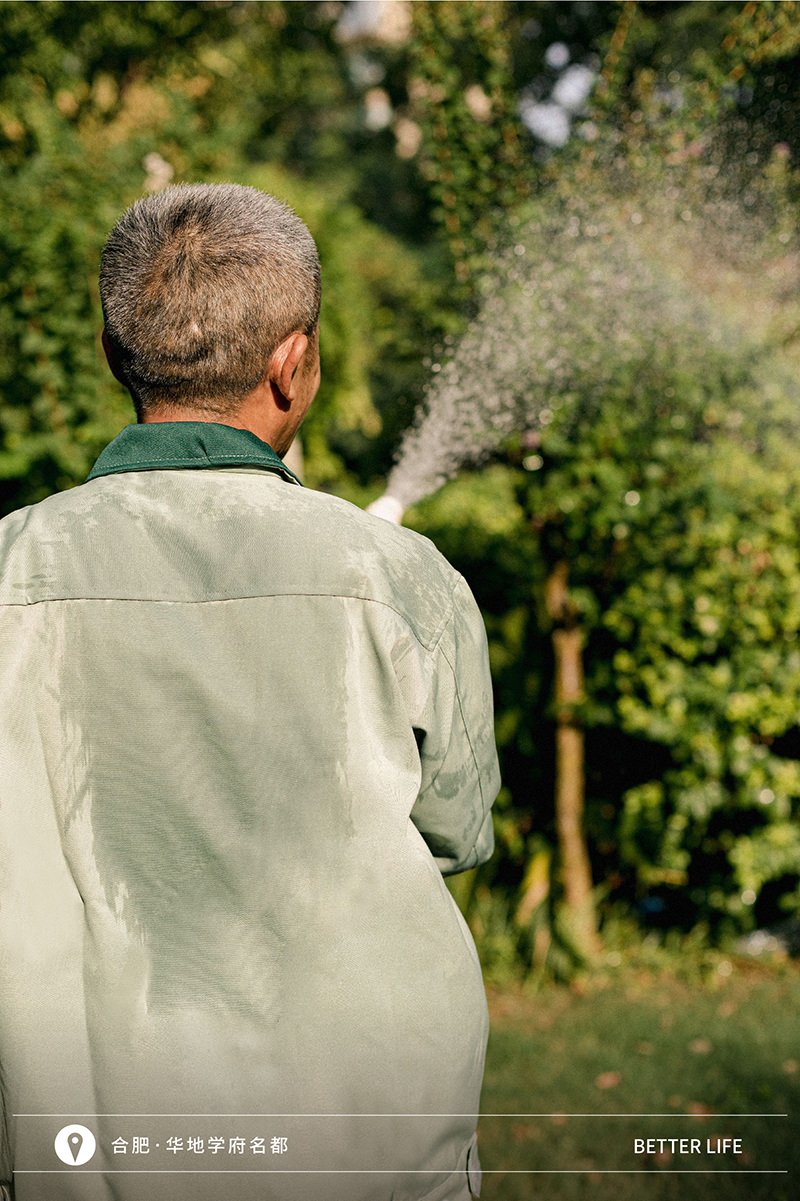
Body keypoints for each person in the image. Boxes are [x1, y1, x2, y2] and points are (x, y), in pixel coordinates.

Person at [0, 183, 500, 1201]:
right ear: (293, 362)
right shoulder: (401, 578)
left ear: (111, 353)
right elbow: (457, 831)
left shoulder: (10, 567)